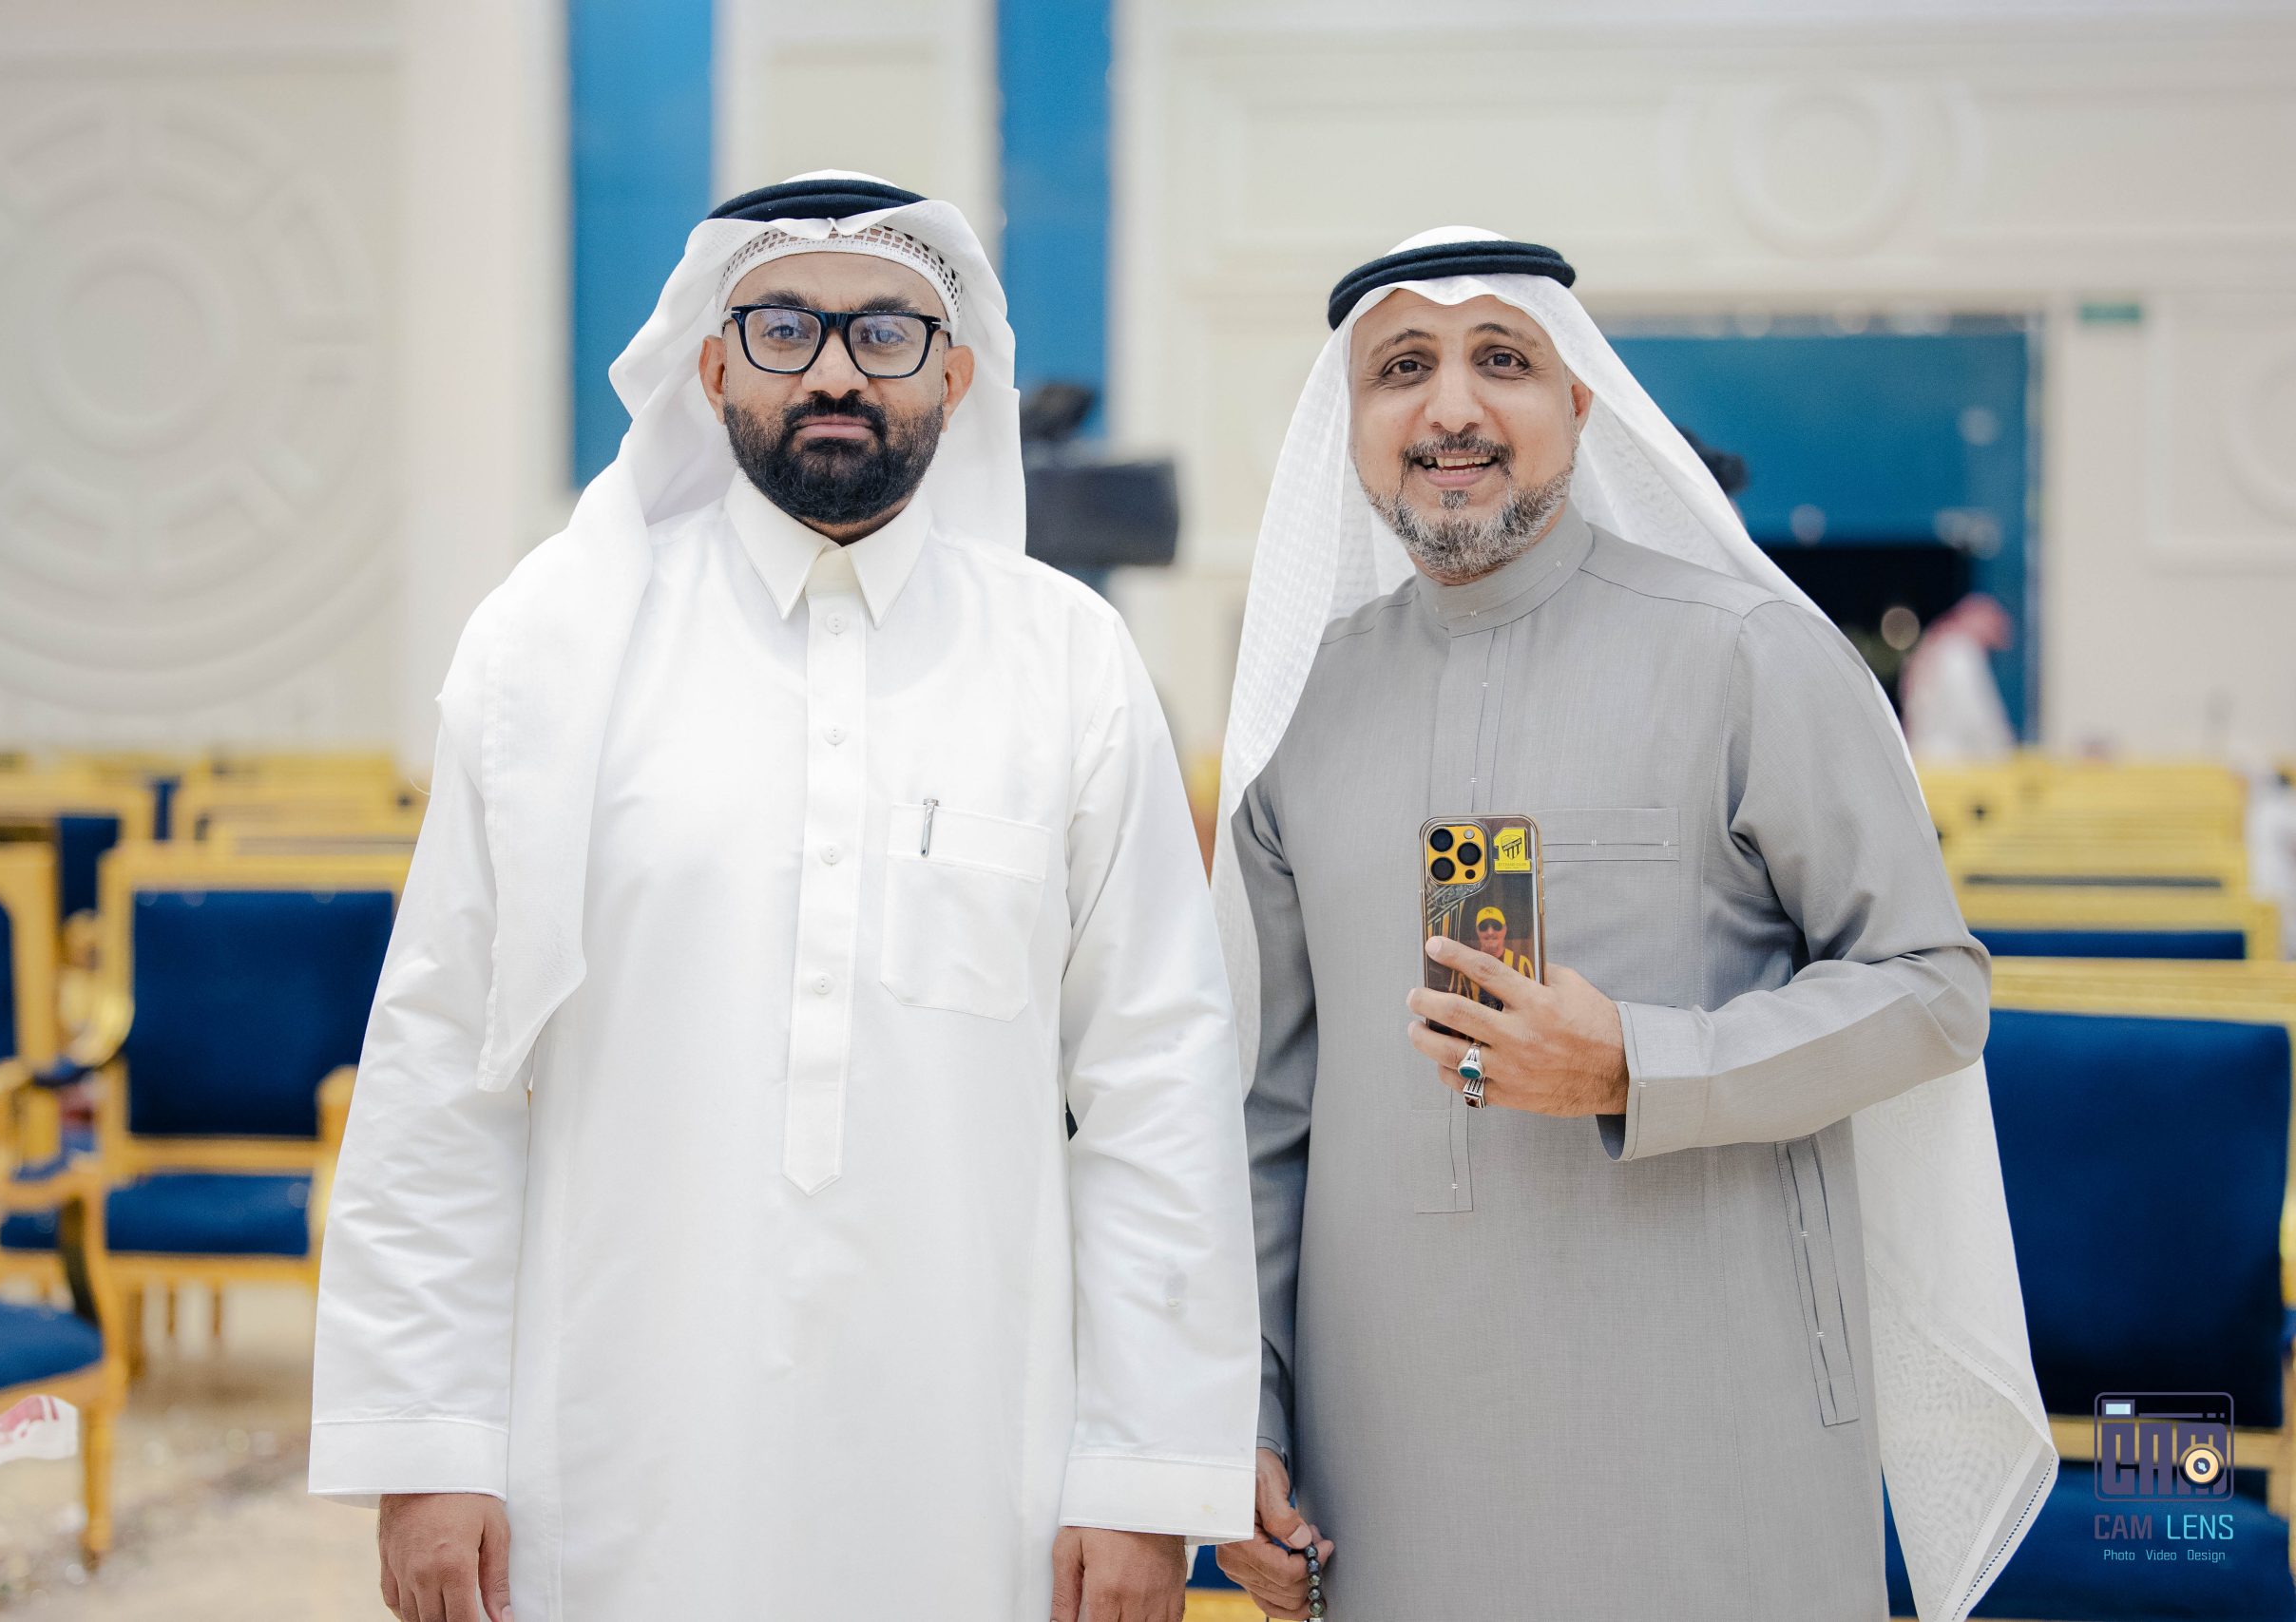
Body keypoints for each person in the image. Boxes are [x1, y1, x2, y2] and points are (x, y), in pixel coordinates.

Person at [309, 173, 1257, 1622]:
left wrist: (1143, 1470)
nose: (832, 370)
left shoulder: (1069, 664)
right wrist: (427, 1444)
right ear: (709, 366)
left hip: (977, 1456)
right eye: (783, 327)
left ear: (955, 376)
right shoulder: (546, 655)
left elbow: (1156, 1083)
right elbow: (443, 1066)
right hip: (613, 1451)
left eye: (885, 331)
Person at [1211, 230, 2053, 1621]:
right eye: (1402, 369)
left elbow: (1930, 986)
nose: (1452, 408)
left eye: (1502, 359)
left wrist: (1636, 1064)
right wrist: (1240, 1409)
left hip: (1709, 1421)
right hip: (1389, 1449)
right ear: (1349, 424)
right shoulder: (1300, 709)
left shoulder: (1748, 652)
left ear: (1579, 403)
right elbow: (1264, 1112)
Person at [1902, 592, 2019, 761]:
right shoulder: (1960, 652)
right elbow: (1975, 711)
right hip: (1952, 761)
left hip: (1925, 755)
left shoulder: (1936, 646)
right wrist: (2002, 749)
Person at [1470, 906, 1531, 979]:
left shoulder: (1521, 964)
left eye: (1496, 926)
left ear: (1505, 929)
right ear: (1477, 931)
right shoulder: (1469, 965)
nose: (1490, 932)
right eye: (1483, 927)